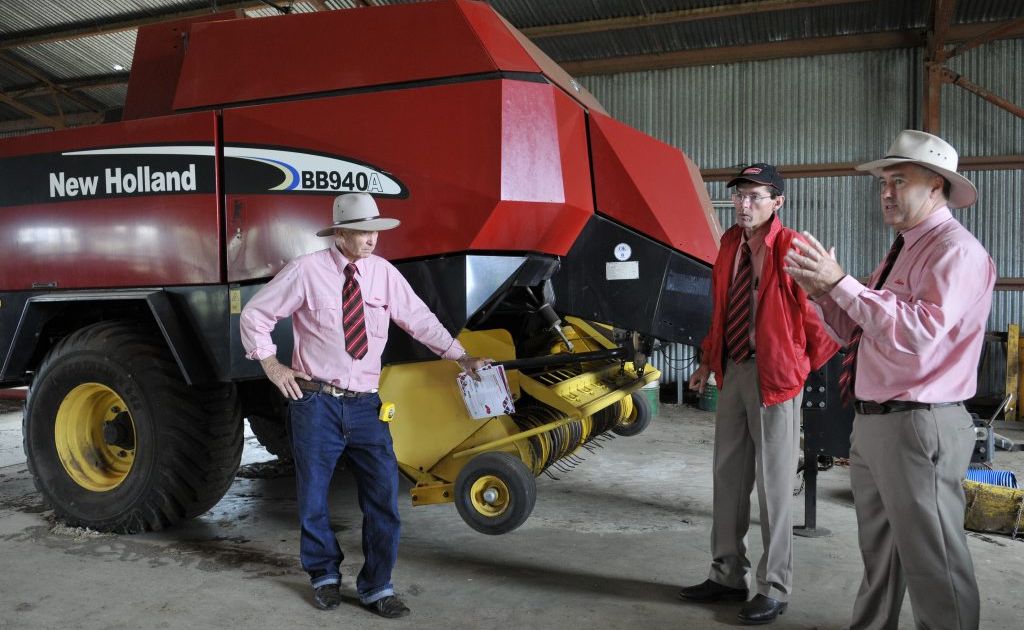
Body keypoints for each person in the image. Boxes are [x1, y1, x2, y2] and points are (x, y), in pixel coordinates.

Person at [239, 192, 490, 617]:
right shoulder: (306, 272)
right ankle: (324, 575)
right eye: (361, 231)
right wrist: (273, 366)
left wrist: (460, 355)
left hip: (366, 407)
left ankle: (377, 585)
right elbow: (255, 316)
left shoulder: (384, 274)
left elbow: (419, 318)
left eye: (375, 230)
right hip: (315, 403)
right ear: (339, 233)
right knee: (314, 499)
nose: (371, 238)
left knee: (382, 501)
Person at [783, 130, 994, 630]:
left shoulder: (956, 252)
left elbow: (920, 333)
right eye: (883, 182)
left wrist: (841, 282)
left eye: (899, 181)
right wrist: (825, 295)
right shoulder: (903, 249)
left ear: (937, 186)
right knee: (881, 558)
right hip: (876, 421)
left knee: (934, 564)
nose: (886, 192)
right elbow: (866, 328)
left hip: (919, 424)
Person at [680, 163, 838, 625]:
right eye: (739, 196)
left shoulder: (791, 248)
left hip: (775, 380)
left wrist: (802, 369)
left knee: (774, 489)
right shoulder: (730, 244)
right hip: (733, 372)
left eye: (755, 197)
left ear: (777, 202)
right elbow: (720, 310)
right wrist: (708, 361)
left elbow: (821, 321)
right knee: (728, 479)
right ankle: (727, 575)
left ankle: (774, 587)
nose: (744, 205)